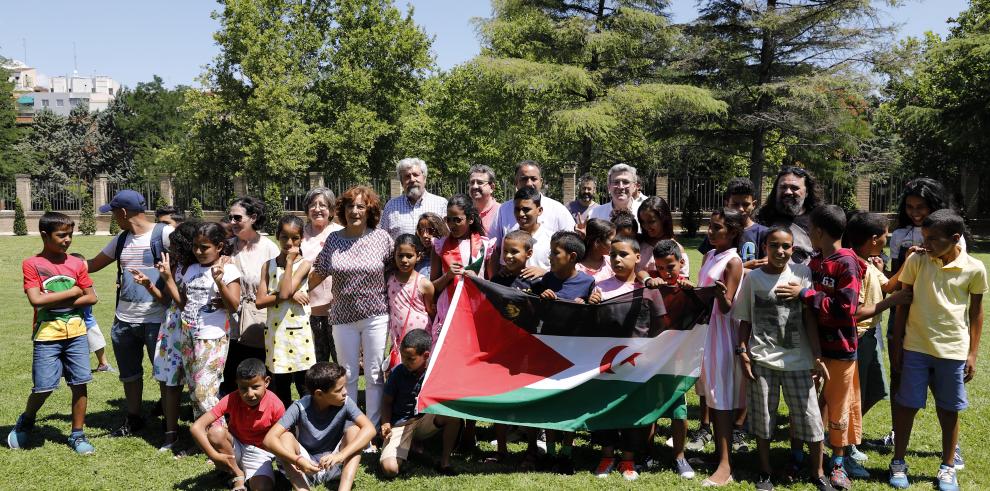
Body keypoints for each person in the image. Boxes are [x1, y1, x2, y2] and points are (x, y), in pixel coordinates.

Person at [888, 210, 986, 491]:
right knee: (907, 405)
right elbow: (903, 304)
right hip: (915, 347)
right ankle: (898, 462)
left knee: (949, 409)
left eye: (932, 239)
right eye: (924, 237)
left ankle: (947, 467)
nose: (926, 244)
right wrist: (897, 346)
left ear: (956, 239)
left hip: (952, 351)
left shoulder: (975, 268)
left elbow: (976, 313)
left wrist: (972, 353)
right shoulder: (917, 260)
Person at [734, 226, 832, 491]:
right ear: (765, 247)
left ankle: (818, 472)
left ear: (793, 249)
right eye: (774, 245)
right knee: (763, 419)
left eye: (786, 246)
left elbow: (810, 317)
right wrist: (742, 352)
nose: (780, 251)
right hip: (761, 361)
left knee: (811, 419)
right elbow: (745, 319)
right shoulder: (753, 278)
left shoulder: (802, 273)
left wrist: (817, 355)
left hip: (798, 362)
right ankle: (765, 472)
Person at [775, 204, 865, 490]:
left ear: (818, 231)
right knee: (803, 405)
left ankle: (837, 464)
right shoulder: (815, 262)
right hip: (809, 349)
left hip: (839, 350)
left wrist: (805, 294)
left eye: (809, 230)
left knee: (837, 407)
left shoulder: (847, 263)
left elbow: (845, 309)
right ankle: (797, 456)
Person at [873, 177, 966, 453]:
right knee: (899, 372)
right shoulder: (900, 235)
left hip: (935, 318)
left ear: (933, 206)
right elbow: (896, 279)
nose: (915, 212)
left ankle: (952, 444)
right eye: (910, 206)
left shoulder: (950, 233)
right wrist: (884, 268)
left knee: (942, 381)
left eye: (921, 207)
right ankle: (895, 430)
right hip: (902, 309)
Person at [8, 212, 98, 454]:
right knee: (44, 386)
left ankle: (77, 435)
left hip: (77, 333)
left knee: (80, 384)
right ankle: (27, 418)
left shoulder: (77, 264)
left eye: (70, 235)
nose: (68, 240)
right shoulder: (32, 264)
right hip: (48, 334)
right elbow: (36, 300)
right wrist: (72, 292)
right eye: (61, 235)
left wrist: (53, 300)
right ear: (45, 235)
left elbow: (92, 297)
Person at [86, 189, 173, 437]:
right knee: (129, 373)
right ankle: (134, 418)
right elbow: (92, 265)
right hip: (124, 319)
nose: (114, 218)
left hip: (158, 319)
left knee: (164, 374)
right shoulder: (122, 239)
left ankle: (170, 423)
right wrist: (58, 262)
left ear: (123, 212)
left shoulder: (165, 234)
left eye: (114, 213)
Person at [137, 222, 242, 425]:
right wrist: (167, 278)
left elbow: (234, 306)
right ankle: (204, 441)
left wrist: (219, 282)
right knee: (194, 392)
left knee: (205, 392)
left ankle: (222, 441)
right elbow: (183, 304)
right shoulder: (191, 269)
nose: (199, 251)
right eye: (196, 246)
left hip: (212, 338)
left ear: (219, 247)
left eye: (205, 247)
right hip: (188, 335)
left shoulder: (228, 269)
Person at [309, 185, 394, 429]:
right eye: (350, 206)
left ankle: (373, 427)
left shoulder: (381, 238)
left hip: (376, 315)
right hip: (343, 317)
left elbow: (393, 271)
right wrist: (298, 292)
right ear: (342, 210)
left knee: (375, 373)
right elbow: (318, 272)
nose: (355, 211)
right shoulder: (334, 239)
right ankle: (350, 426)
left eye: (360, 206)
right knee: (347, 374)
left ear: (370, 211)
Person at [591, 236, 668, 482]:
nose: (616, 259)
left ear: (638, 257)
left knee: (634, 409)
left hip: (639, 363)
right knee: (605, 407)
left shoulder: (649, 289)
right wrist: (590, 304)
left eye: (623, 254)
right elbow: (588, 325)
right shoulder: (599, 286)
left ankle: (628, 458)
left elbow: (660, 323)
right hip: (606, 362)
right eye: (612, 254)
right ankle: (606, 455)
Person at [843, 212, 911, 469]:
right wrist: (889, 304)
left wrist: (908, 260)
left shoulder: (870, 263)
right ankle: (844, 444)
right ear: (874, 239)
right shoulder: (854, 266)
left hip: (870, 336)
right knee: (852, 395)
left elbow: (889, 285)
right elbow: (855, 311)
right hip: (857, 337)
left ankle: (847, 436)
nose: (886, 239)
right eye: (885, 235)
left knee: (875, 390)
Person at [530, 230, 596, 475]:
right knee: (550, 401)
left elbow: (596, 316)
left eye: (555, 252)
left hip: (574, 354)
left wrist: (587, 306)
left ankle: (567, 454)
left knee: (569, 404)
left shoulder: (588, 283)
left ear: (572, 256)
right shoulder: (546, 280)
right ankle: (549, 451)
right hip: (548, 351)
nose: (550, 256)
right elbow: (529, 304)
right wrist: (541, 298)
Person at [263, 362, 377, 491]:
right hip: (304, 466)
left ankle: (344, 488)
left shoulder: (345, 402)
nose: (345, 392)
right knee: (285, 437)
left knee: (355, 430)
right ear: (319, 394)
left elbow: (370, 429)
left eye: (344, 386)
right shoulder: (299, 407)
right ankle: (302, 488)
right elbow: (268, 440)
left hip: (334, 463)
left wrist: (341, 455)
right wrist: (298, 460)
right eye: (339, 390)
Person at [693, 208, 745, 487]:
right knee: (711, 396)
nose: (710, 232)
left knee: (721, 399)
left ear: (733, 232)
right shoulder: (711, 255)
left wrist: (718, 292)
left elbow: (727, 307)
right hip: (706, 333)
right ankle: (717, 455)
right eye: (709, 227)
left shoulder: (734, 262)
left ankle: (726, 466)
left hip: (722, 336)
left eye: (716, 228)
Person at [143, 220, 199, 451]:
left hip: (192, 326)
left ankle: (201, 433)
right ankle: (170, 432)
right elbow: (167, 299)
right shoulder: (175, 265)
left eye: (176, 246)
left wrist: (167, 277)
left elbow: (184, 303)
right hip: (173, 327)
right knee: (170, 382)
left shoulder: (198, 269)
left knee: (198, 385)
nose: (171, 250)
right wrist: (149, 284)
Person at [642, 239, 695, 479]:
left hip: (678, 359)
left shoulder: (686, 286)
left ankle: (680, 457)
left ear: (681, 263)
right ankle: (647, 452)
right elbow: (640, 272)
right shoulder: (653, 280)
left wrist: (692, 291)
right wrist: (648, 279)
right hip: (653, 356)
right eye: (661, 267)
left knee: (679, 409)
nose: (665, 272)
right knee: (651, 406)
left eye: (670, 266)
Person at [190, 358, 285, 491]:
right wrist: (214, 456)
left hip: (260, 454)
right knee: (216, 432)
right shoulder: (231, 399)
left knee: (262, 488)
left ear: (267, 382)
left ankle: (246, 473)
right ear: (237, 384)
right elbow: (197, 427)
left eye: (255, 387)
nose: (249, 394)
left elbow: (284, 437)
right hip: (235, 447)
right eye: (243, 388)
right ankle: (237, 475)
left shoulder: (276, 405)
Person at [380, 329, 463, 477]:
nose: (404, 362)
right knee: (390, 469)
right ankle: (408, 452)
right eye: (403, 357)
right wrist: (386, 423)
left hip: (425, 420)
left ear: (425, 356)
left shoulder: (435, 371)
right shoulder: (398, 373)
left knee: (453, 415)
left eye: (410, 359)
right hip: (401, 425)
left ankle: (444, 463)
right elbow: (386, 402)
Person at [255, 215, 318, 408]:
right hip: (277, 334)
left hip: (299, 333)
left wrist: (290, 263)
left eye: (294, 238)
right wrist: (290, 294)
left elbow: (284, 291)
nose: (289, 243)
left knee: (303, 383)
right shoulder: (268, 265)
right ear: (277, 237)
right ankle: (284, 428)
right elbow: (260, 301)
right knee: (280, 383)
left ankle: (308, 426)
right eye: (284, 237)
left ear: (301, 239)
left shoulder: (304, 264)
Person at [223, 197, 281, 397]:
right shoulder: (227, 246)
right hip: (230, 320)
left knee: (260, 371)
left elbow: (277, 285)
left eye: (237, 217)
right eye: (230, 217)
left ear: (253, 218)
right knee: (231, 372)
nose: (232, 222)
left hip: (259, 320)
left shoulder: (269, 248)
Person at [431, 194, 496, 346]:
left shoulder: (485, 246)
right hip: (448, 306)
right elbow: (433, 286)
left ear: (470, 219)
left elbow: (493, 285)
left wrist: (477, 279)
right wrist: (447, 276)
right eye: (449, 219)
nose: (452, 225)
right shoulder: (440, 246)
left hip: (476, 307)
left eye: (458, 220)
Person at [300, 187, 343, 364]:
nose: (317, 209)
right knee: (316, 362)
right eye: (313, 205)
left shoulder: (341, 233)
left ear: (332, 210)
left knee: (342, 360)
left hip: (338, 308)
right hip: (307, 309)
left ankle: (345, 392)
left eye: (323, 205)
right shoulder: (299, 234)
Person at [489, 160, 576, 243]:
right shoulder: (503, 210)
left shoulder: (558, 210)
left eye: (533, 179)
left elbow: (571, 243)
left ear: (541, 182)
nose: (529, 183)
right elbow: (493, 247)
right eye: (524, 179)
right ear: (516, 182)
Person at [386, 234, 435, 370]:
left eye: (409, 256)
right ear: (394, 255)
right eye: (400, 255)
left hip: (422, 336)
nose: (404, 260)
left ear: (418, 256)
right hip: (399, 336)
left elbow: (431, 311)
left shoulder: (424, 284)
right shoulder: (389, 279)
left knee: (421, 369)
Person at [699, 177, 770, 269]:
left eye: (745, 204)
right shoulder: (717, 232)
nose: (740, 209)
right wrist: (742, 267)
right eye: (735, 204)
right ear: (726, 203)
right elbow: (707, 267)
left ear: (754, 205)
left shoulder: (764, 233)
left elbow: (767, 267)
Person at [756, 166, 822, 264]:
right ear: (776, 190)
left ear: (807, 192)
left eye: (794, 188)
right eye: (783, 187)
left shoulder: (818, 220)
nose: (788, 192)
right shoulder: (762, 218)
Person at [490, 187, 552, 279]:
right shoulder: (509, 238)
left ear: (539, 210)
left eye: (526, 209)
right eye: (517, 209)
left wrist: (545, 273)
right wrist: (504, 270)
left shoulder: (551, 239)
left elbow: (562, 272)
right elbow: (504, 265)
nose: (521, 214)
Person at [380, 157, 448, 239]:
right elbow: (383, 239)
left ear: (424, 178)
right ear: (401, 182)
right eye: (407, 176)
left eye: (416, 175)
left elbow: (447, 237)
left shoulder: (441, 204)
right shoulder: (391, 207)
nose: (412, 179)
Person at [68, 253, 113, 373]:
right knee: (72, 346)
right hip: (71, 320)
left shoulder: (86, 281)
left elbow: (94, 298)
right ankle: (67, 367)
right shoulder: (67, 282)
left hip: (88, 319)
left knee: (98, 342)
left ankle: (103, 364)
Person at [636, 196, 688, 281]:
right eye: (642, 222)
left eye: (651, 221)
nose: (646, 226)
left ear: (663, 219)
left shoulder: (677, 248)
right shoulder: (639, 245)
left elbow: (683, 281)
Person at [576, 218, 615, 283]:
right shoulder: (576, 268)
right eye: (612, 241)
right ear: (597, 242)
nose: (616, 244)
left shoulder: (611, 262)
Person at [468, 164, 500, 234]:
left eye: (480, 182)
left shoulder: (501, 212)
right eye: (472, 182)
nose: (474, 186)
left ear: (492, 187)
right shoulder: (465, 212)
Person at [414, 212, 448, 277]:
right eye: (421, 231)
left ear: (439, 231)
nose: (424, 235)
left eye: (430, 231)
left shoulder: (446, 257)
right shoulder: (416, 259)